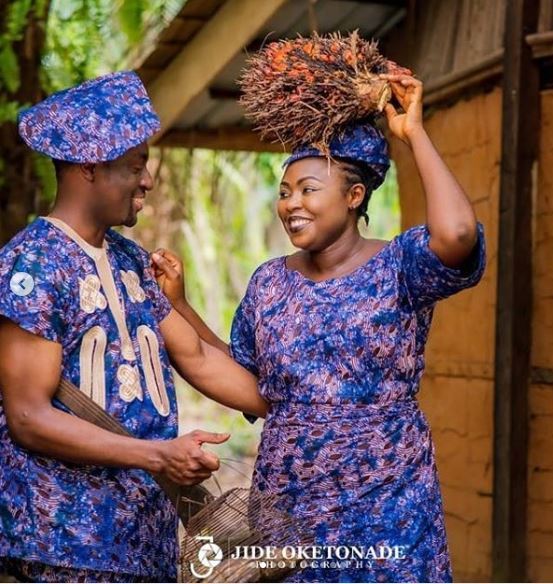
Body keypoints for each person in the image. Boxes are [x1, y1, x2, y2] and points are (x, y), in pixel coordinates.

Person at [152, 73, 486, 582]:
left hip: (388, 497)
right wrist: (180, 305)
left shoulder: (400, 267)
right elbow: (242, 376)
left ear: (354, 196)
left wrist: (414, 133)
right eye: (285, 191)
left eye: (309, 189)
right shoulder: (270, 282)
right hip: (290, 502)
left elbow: (459, 233)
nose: (292, 204)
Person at [0, 71, 267, 583]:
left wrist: (304, 411)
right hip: (65, 547)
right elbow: (29, 417)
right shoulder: (30, 267)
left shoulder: (131, 261)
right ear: (89, 167)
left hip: (145, 543)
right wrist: (156, 455)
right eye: (136, 165)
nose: (147, 180)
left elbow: (197, 356)